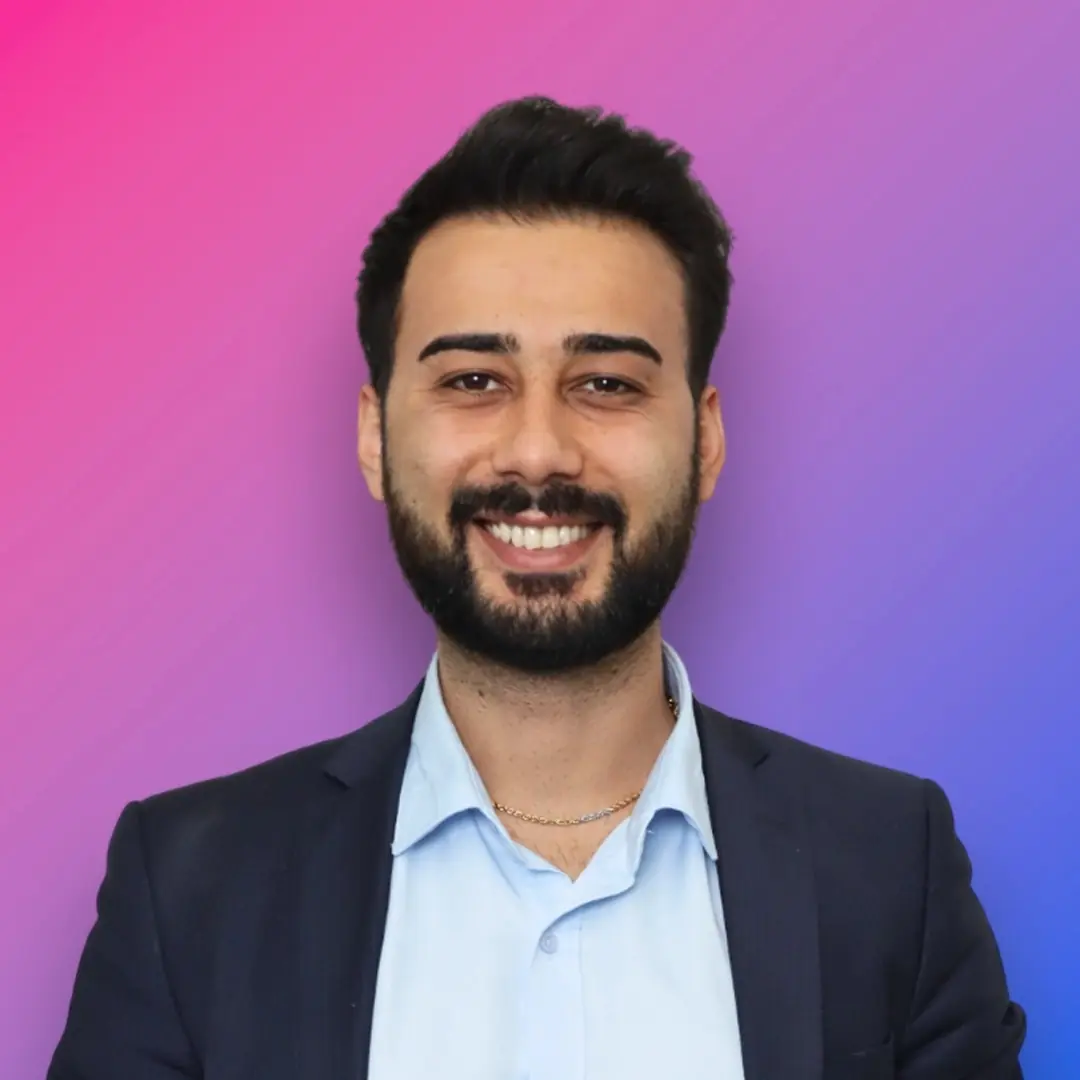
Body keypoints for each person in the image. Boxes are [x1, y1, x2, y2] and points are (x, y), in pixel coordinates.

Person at [47, 95, 1025, 1080]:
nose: (538, 450)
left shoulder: (891, 868)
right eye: (473, 380)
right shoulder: (188, 889)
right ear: (376, 436)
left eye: (607, 383)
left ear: (706, 439)